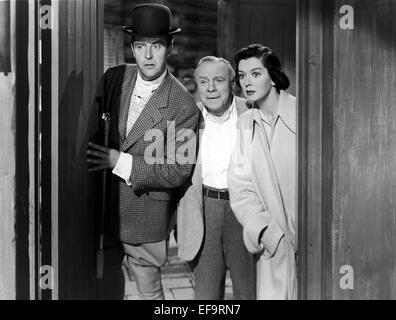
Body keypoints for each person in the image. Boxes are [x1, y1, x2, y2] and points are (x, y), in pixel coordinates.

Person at [86, 3, 200, 300]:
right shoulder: (114, 78)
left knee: (150, 296)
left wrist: (118, 160)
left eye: (157, 46)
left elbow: (177, 171)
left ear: (170, 47)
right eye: (140, 46)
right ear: (132, 47)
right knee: (104, 290)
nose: (148, 56)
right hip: (103, 213)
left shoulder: (183, 105)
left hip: (144, 217)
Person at [177, 56, 256, 300]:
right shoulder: (186, 119)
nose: (210, 88)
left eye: (218, 80)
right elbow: (174, 174)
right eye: (204, 81)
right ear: (197, 85)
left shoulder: (254, 113)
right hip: (204, 212)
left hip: (245, 211)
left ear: (232, 83)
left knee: (250, 292)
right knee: (206, 296)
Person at [227, 44, 297, 299]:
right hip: (274, 244)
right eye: (242, 75)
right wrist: (266, 233)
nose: (247, 81)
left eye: (255, 74)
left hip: (311, 241)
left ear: (273, 76)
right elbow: (240, 186)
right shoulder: (245, 124)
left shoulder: (305, 116)